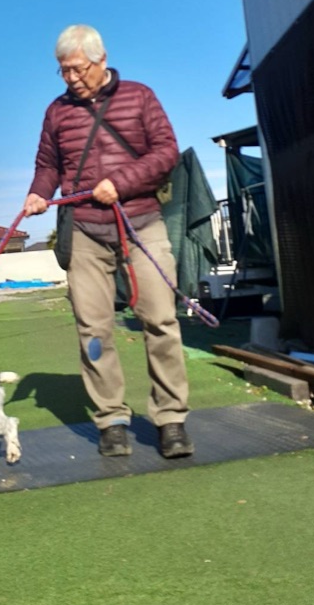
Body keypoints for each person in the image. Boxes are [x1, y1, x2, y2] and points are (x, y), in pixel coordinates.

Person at [23, 24, 193, 459]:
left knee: (161, 321)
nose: (70, 78)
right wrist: (38, 192)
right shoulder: (57, 111)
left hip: (141, 224)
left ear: (101, 60)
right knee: (93, 330)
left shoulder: (140, 96)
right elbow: (48, 164)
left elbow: (166, 152)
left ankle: (171, 419)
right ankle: (111, 420)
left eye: (77, 69)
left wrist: (121, 182)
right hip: (83, 230)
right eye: (63, 71)